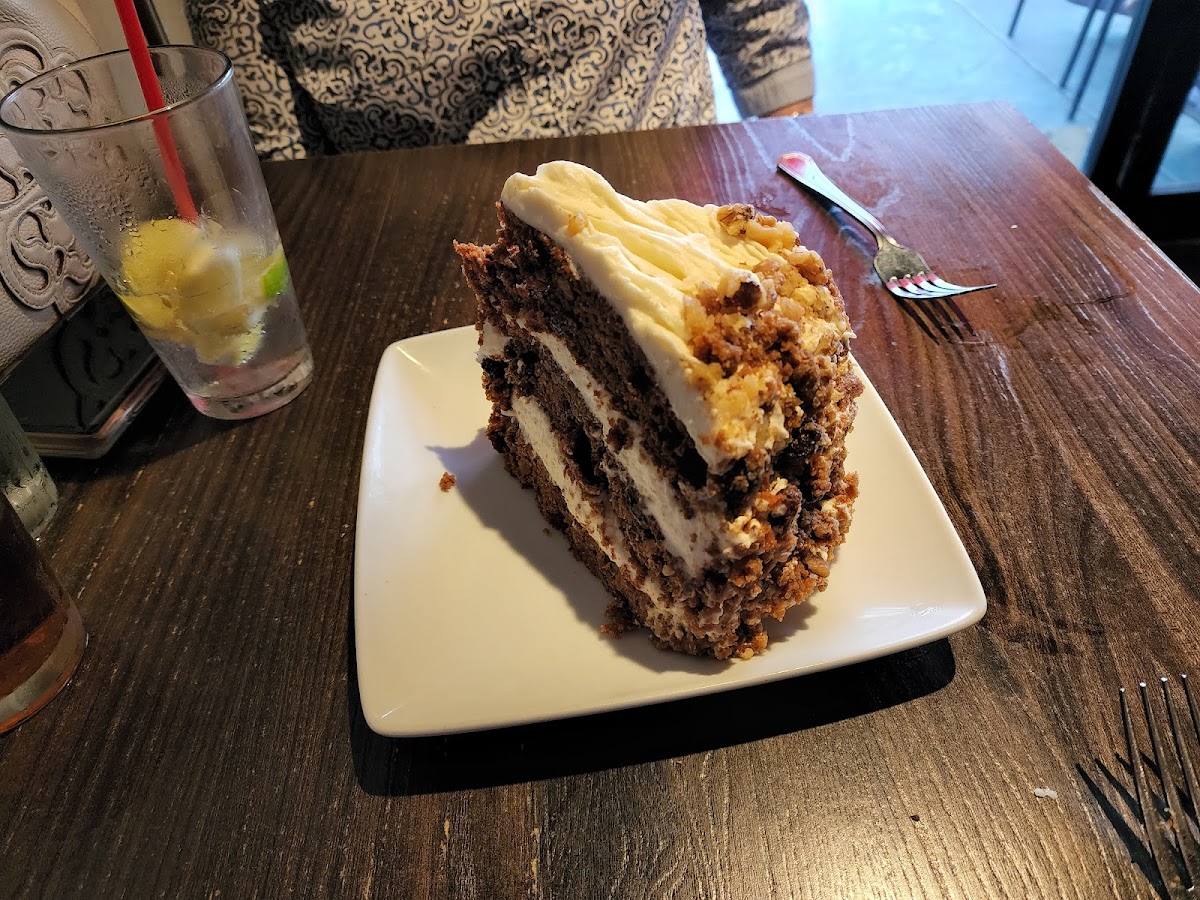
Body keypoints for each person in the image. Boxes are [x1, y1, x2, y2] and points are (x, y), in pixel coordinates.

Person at [185, 0, 814, 161]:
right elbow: (268, 142)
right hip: (404, 236)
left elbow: (760, 19)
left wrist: (794, 145)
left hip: (660, 175)